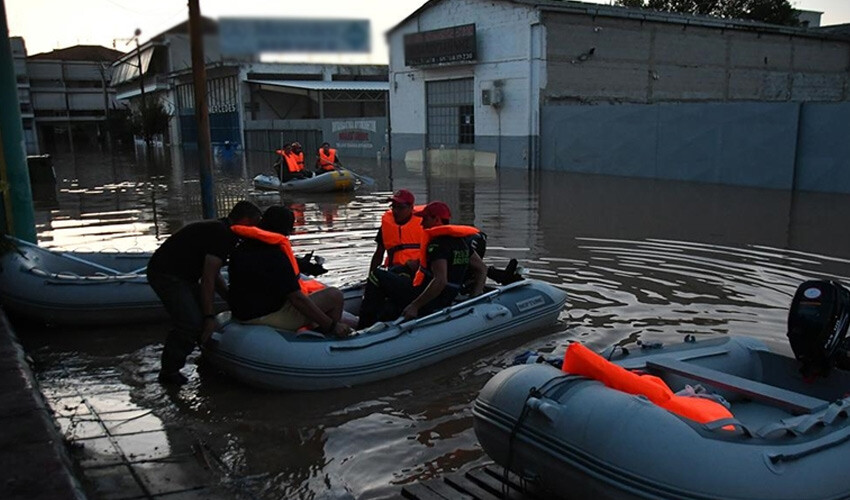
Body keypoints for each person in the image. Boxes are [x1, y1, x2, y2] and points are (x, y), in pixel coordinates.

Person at [147, 200, 262, 385]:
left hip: (182, 274)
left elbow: (214, 274)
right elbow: (208, 278)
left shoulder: (221, 230)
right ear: (245, 221)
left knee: (196, 316)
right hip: (167, 274)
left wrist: (229, 298)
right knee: (189, 322)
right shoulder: (223, 235)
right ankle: (169, 372)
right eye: (254, 225)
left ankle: (203, 356)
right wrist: (209, 317)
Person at [228, 206, 352, 338]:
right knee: (335, 295)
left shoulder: (241, 248)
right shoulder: (276, 255)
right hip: (266, 316)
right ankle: (329, 338)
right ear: (287, 230)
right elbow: (297, 299)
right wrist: (332, 325)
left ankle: (315, 329)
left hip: (242, 313)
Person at [358, 201, 487, 328]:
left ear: (436, 219)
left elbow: (440, 281)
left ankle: (363, 326)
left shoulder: (437, 245)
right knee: (398, 272)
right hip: (447, 296)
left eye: (425, 219)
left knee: (377, 275)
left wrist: (415, 306)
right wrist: (474, 297)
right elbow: (482, 269)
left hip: (430, 299)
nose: (421, 223)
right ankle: (386, 312)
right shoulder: (461, 242)